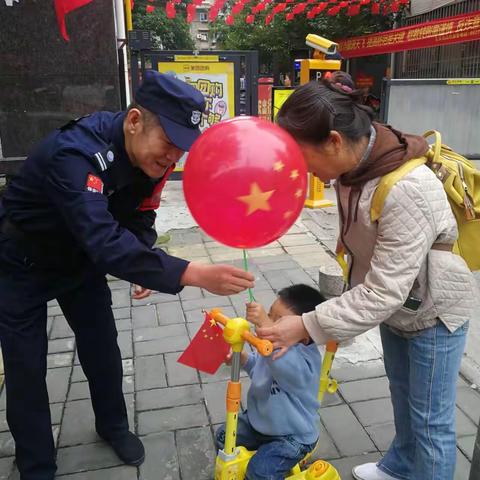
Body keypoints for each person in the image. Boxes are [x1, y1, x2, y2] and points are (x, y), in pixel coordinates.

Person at [0, 70, 254, 480]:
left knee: (102, 347)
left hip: (78, 263)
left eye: (181, 151)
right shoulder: (76, 155)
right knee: (26, 367)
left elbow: (140, 214)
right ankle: (35, 465)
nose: (173, 159)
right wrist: (191, 272)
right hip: (21, 263)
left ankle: (113, 425)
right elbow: (103, 241)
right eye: (169, 144)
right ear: (134, 121)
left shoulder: (150, 162)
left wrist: (142, 260)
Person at [260, 80, 477, 480]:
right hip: (400, 306)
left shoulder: (407, 188)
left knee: (431, 420)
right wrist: (338, 320)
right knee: (402, 393)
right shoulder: (354, 171)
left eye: (302, 156)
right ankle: (400, 466)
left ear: (334, 142)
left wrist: (309, 326)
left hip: (434, 312)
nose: (300, 169)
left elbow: (385, 290)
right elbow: (365, 258)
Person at [216, 284, 326, 480]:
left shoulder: (304, 358)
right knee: (223, 437)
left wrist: (265, 325)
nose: (271, 324)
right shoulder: (269, 348)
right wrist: (243, 359)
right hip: (259, 423)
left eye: (279, 321)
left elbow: (284, 367)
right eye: (269, 315)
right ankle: (262, 450)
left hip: (292, 436)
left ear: (304, 332)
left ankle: (275, 461)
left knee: (259, 472)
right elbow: (259, 369)